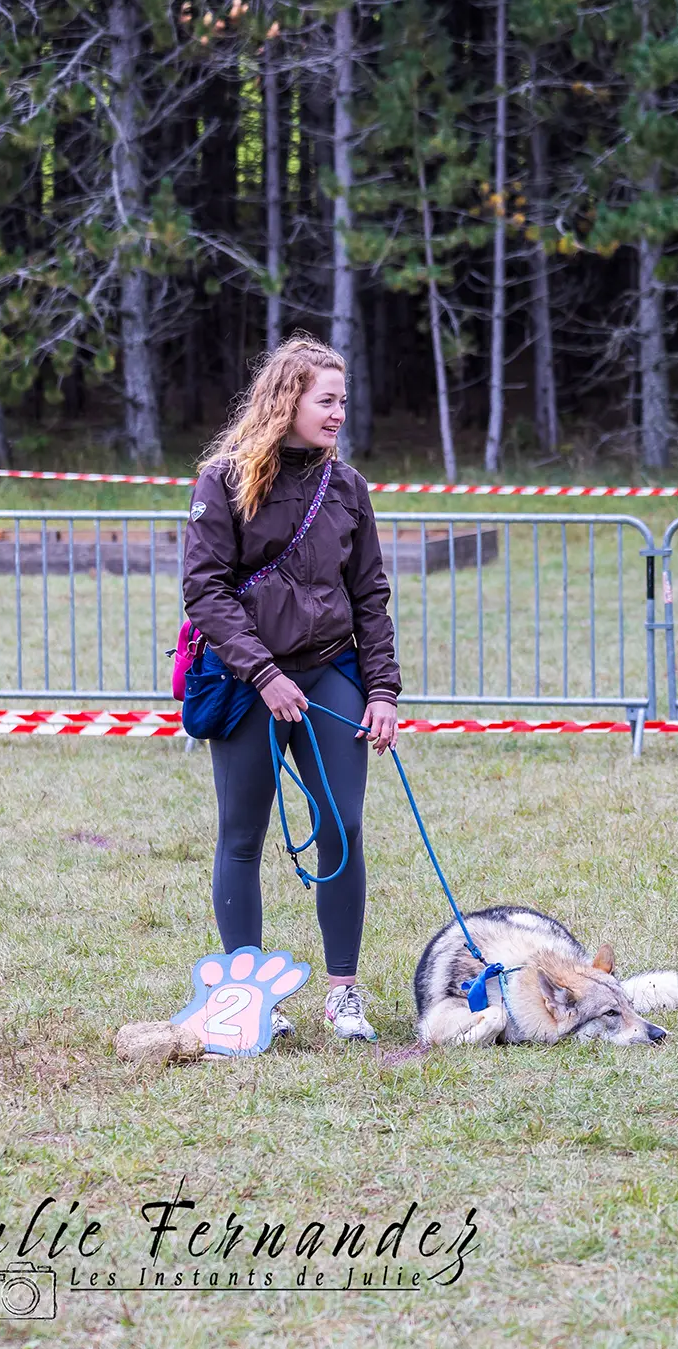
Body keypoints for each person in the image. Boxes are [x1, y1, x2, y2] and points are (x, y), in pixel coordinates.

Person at [182, 335, 400, 1043]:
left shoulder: (349, 488)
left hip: (330, 669)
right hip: (248, 679)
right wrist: (265, 673)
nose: (339, 412)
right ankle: (246, 998)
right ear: (288, 400)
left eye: (344, 400)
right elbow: (205, 592)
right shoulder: (223, 479)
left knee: (345, 826)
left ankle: (343, 994)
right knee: (240, 835)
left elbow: (370, 595)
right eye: (326, 400)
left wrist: (383, 691)